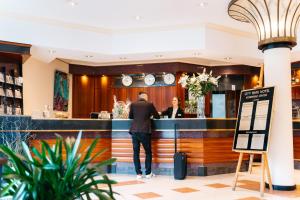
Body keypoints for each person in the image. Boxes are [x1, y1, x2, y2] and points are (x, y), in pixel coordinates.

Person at [129, 92, 160, 179]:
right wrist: (149, 116)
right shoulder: (149, 104)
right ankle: (148, 173)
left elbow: (130, 116)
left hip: (134, 131)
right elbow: (157, 116)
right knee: (148, 152)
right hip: (145, 131)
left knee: (136, 153)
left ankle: (138, 174)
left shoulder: (133, 104)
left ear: (139, 97)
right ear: (145, 97)